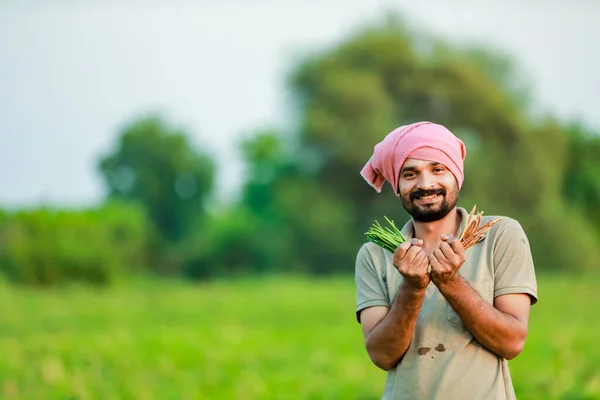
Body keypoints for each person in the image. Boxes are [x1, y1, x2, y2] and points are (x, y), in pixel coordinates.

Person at [355, 121, 538, 400]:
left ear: (456, 175)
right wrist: (412, 288)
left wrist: (450, 283)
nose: (425, 184)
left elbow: (512, 342)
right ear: (397, 185)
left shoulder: (501, 236)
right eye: (410, 174)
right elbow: (382, 355)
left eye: (437, 169)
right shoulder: (375, 254)